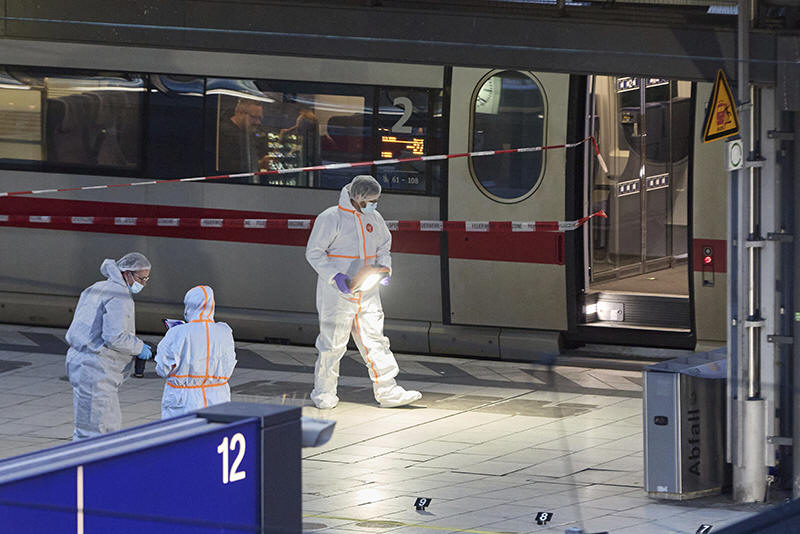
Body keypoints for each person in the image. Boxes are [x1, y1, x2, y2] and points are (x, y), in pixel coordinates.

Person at [305, 175, 422, 409]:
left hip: (367, 290)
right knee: (332, 343)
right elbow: (314, 253)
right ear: (357, 197)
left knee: (376, 340)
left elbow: (384, 247)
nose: (374, 204)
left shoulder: (374, 218)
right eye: (370, 200)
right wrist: (335, 276)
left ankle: (387, 390)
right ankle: (324, 392)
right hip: (337, 292)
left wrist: (384, 268)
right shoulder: (331, 218)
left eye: (376, 200)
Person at [65, 252, 152, 441]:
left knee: (89, 426)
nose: (144, 284)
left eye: (147, 279)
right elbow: (114, 337)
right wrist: (139, 347)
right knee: (99, 431)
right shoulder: (119, 295)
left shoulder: (97, 287)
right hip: (96, 368)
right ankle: (89, 461)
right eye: (141, 278)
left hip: (82, 362)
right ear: (127, 273)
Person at [155, 285, 237, 419]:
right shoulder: (225, 331)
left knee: (182, 431)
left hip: (183, 399)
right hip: (218, 396)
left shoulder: (177, 332)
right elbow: (228, 364)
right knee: (215, 430)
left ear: (189, 306)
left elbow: (162, 368)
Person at [217, 98, 270, 180]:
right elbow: (226, 166)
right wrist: (258, 164)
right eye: (254, 117)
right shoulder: (223, 134)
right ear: (239, 113)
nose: (258, 122)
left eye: (259, 118)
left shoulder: (247, 133)